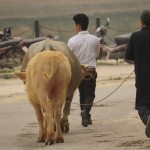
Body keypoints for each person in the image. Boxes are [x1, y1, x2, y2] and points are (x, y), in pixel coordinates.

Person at [68, 13, 100, 127]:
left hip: (78, 73)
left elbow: (70, 58)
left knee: (82, 94)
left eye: (74, 25)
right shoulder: (95, 39)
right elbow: (96, 54)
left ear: (78, 26)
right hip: (91, 71)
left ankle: (85, 117)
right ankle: (85, 112)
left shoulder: (71, 41)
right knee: (90, 95)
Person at [125, 10, 150, 137]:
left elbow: (128, 56)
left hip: (142, 78)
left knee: (142, 105)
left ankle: (147, 119)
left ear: (141, 22)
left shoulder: (135, 36)